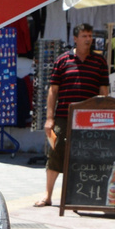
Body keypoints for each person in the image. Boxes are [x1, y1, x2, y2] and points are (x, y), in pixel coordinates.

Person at [37, 23, 109, 207]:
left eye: (90, 35)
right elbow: (53, 91)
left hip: (90, 120)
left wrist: (102, 116)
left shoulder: (100, 62)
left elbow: (103, 92)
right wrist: (49, 118)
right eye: (84, 36)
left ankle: (84, 196)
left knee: (88, 155)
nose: (88, 39)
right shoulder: (62, 60)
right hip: (63, 116)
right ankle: (47, 194)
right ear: (75, 39)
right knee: (55, 150)